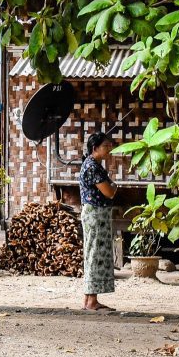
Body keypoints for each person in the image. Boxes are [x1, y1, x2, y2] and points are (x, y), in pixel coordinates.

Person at [79, 132, 118, 311]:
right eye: (105, 146)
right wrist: (115, 187)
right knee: (95, 254)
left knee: (92, 253)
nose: (109, 149)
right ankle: (92, 300)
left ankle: (88, 299)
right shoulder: (92, 167)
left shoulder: (92, 164)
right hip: (96, 214)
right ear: (95, 148)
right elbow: (109, 192)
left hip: (95, 213)